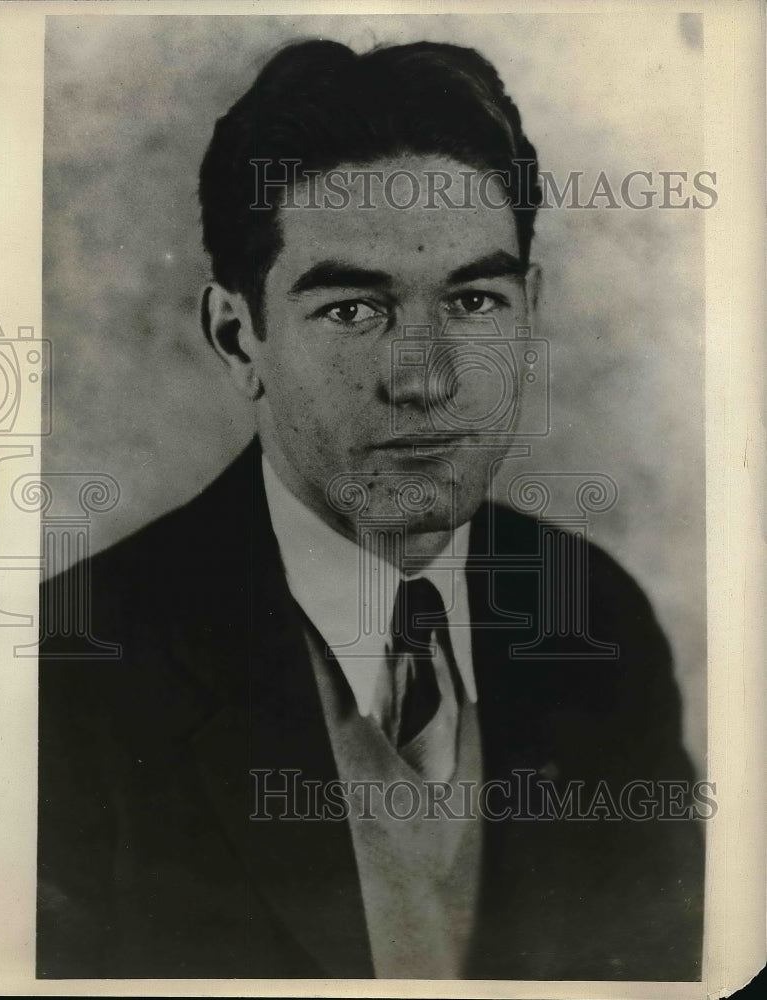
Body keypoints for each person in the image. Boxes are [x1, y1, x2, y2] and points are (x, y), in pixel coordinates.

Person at [37, 39, 704, 981]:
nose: (428, 381)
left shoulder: (595, 618)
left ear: (530, 312)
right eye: (354, 310)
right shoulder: (67, 676)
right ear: (239, 340)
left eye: (474, 300)